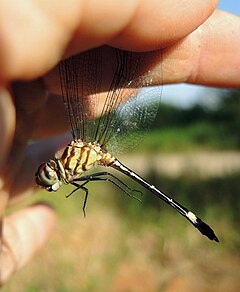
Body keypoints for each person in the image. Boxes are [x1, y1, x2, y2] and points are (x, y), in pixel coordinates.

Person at [0, 0, 240, 285]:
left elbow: (98, 181)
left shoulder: (72, 159)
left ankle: (192, 218)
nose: (51, 178)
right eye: (50, 177)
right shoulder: (70, 163)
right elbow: (92, 182)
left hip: (98, 150)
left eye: (49, 175)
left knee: (111, 178)